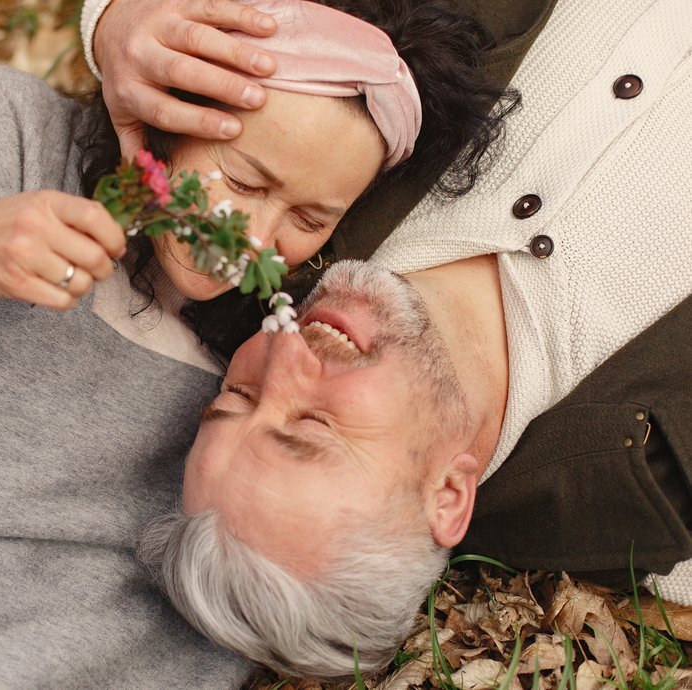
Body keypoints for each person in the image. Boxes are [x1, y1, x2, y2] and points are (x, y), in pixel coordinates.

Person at [0, 0, 514, 686]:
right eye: (243, 182)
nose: (255, 238)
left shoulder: (257, 374)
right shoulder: (0, 140)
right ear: (167, 111)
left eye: (309, 220)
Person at [120, 0, 692, 681]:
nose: (283, 358)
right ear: (448, 496)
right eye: (312, 426)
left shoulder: (297, 198)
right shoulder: (652, 491)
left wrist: (120, 23)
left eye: (234, 397)